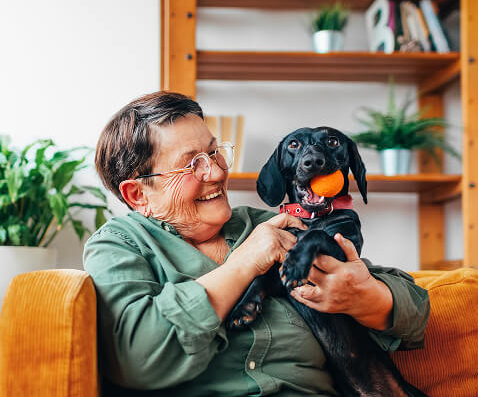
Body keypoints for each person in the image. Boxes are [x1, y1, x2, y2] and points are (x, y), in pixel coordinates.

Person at [83, 91, 430, 397]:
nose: (218, 172)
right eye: (193, 165)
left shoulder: (271, 224)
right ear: (138, 193)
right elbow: (137, 358)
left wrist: (366, 296)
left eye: (214, 152)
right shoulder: (118, 246)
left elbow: (414, 307)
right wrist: (243, 263)